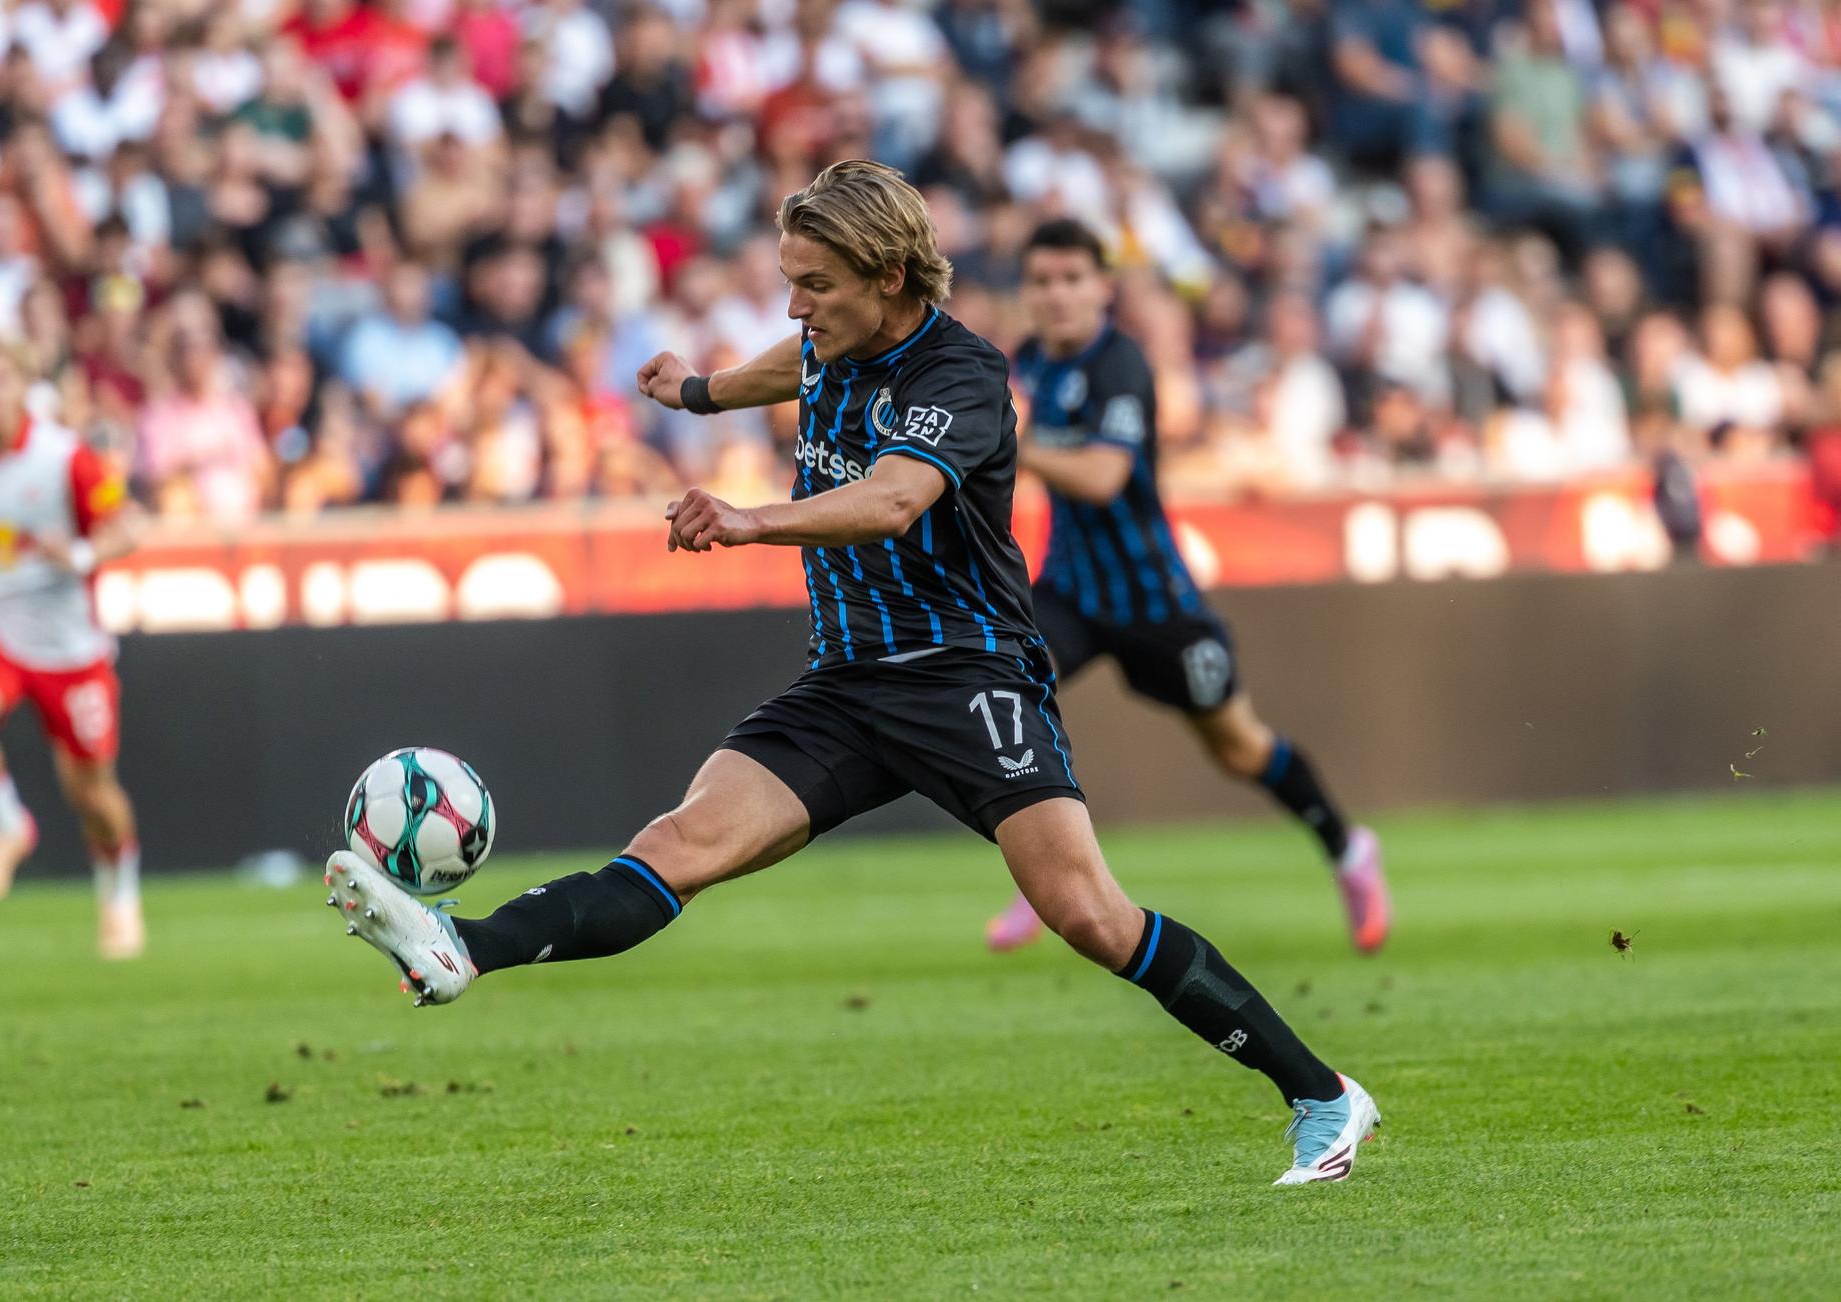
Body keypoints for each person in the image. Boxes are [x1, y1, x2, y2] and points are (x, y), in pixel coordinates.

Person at [323, 161, 1378, 1185]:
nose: (796, 304)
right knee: (676, 845)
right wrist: (701, 393)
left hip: (968, 680)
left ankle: (1323, 1096)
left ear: (890, 278)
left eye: (814, 284)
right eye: (789, 280)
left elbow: (889, 500)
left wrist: (746, 520)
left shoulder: (963, 376)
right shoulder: (832, 339)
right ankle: (461, 948)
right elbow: (796, 365)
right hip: (848, 684)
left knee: (1091, 917)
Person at [984, 219, 1391, 955]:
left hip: (1155, 602)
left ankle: (1348, 849)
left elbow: (1105, 477)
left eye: (1072, 278)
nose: (1057, 295)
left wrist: (1012, 441)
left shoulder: (1122, 368)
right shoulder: (1031, 361)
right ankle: (1049, 874)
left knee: (1237, 747)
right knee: (1007, 693)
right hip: (1070, 591)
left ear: (1103, 287)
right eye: (1042, 281)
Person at [0, 337, 145, 958]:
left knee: (92, 793)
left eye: (1, 378)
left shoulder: (63, 456)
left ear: (23, 385)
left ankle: (119, 895)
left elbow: (127, 526)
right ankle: (6, 827)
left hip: (66, 641)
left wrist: (74, 554)